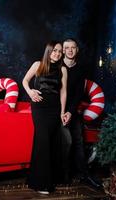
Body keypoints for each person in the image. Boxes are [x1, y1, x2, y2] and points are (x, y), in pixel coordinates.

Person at [22, 41, 68, 194]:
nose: (57, 53)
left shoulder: (63, 69)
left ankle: (51, 178)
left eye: (60, 51)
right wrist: (30, 92)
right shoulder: (38, 65)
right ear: (49, 51)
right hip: (40, 109)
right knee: (42, 141)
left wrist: (62, 112)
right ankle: (41, 183)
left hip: (54, 109)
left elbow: (63, 92)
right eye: (54, 50)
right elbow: (25, 81)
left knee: (53, 141)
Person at [61, 38, 101, 188]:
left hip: (73, 110)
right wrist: (62, 112)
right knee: (64, 142)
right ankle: (63, 174)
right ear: (63, 50)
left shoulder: (80, 69)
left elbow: (78, 94)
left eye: (73, 48)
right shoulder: (57, 65)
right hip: (57, 110)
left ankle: (84, 175)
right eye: (67, 48)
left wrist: (70, 112)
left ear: (77, 50)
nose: (70, 50)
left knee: (78, 141)